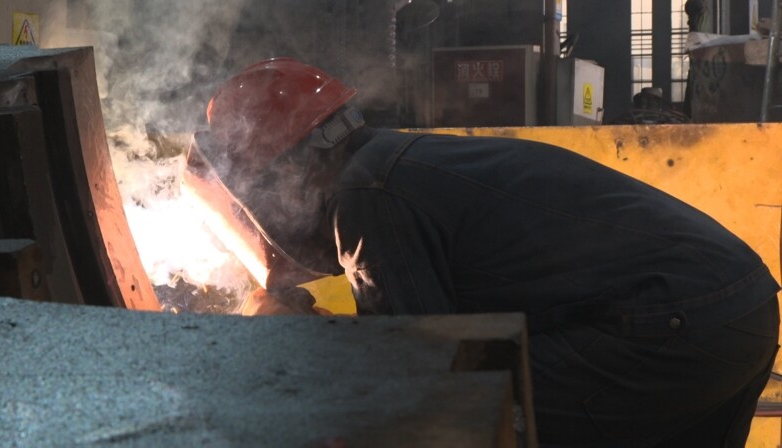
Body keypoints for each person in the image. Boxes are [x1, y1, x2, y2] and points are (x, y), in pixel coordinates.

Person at [194, 57, 780, 447]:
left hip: (673, 324)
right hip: (740, 306)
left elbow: (418, 374)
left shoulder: (368, 195)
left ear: (287, 169)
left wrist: (293, 340)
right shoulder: (401, 165)